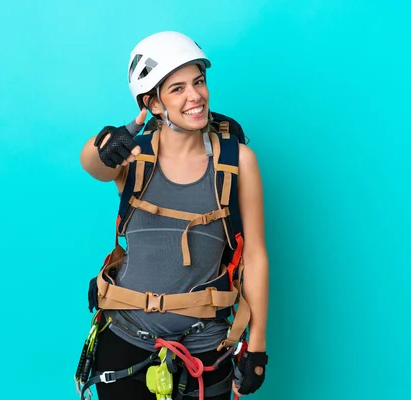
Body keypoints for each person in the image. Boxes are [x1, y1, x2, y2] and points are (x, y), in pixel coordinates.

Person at [78, 31, 269, 400]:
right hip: (123, 341)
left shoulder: (238, 161)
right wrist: (106, 143)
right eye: (177, 88)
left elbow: (256, 256)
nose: (195, 96)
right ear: (152, 102)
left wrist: (256, 348)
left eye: (198, 82)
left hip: (204, 348)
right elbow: (93, 165)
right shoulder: (133, 155)